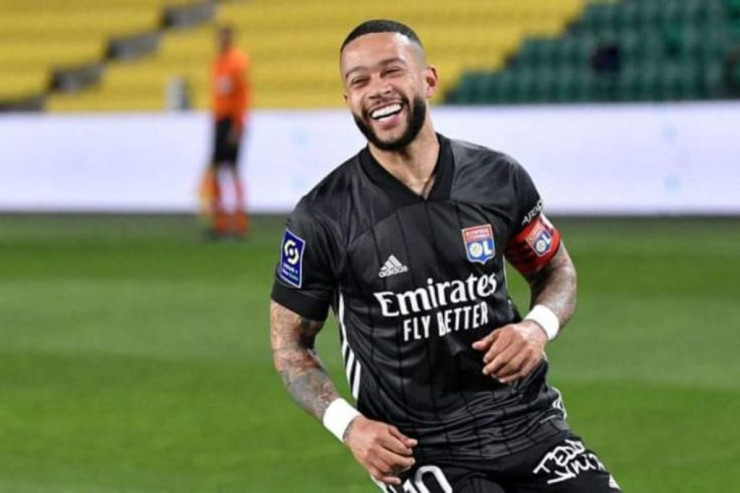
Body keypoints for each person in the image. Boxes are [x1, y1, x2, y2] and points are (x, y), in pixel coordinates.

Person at [270, 19, 621, 493]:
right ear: (348, 99)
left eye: (391, 71)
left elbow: (556, 270)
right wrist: (350, 426)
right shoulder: (323, 216)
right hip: (419, 449)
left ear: (428, 80)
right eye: (360, 81)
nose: (377, 89)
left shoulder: (498, 178)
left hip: (530, 423)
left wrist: (537, 327)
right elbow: (290, 344)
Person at [199, 25, 250, 238]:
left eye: (224, 37)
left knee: (233, 168)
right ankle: (220, 221)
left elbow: (242, 97)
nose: (221, 41)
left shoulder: (238, 62)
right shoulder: (217, 62)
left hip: (231, 120)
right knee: (218, 169)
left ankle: (239, 221)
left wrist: (238, 125)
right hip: (219, 120)